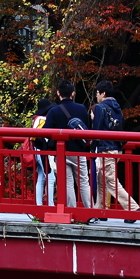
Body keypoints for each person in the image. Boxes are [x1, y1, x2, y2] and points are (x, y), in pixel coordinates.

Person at [92, 81, 139, 219]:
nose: (96, 96)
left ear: (103, 93)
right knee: (102, 179)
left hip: (105, 147)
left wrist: (92, 147)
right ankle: (99, 209)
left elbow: (96, 130)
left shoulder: (101, 108)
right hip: (116, 148)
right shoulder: (117, 108)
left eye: (97, 93)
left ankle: (132, 208)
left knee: (111, 181)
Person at [43, 80, 92, 208]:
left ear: (58, 93)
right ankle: (90, 212)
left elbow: (46, 132)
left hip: (61, 152)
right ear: (73, 94)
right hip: (78, 151)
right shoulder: (81, 109)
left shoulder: (54, 111)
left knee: (68, 183)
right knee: (83, 182)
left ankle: (72, 210)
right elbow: (87, 129)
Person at [31, 98, 56, 206]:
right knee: (51, 177)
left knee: (41, 176)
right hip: (42, 151)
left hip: (38, 150)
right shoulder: (42, 120)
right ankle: (50, 205)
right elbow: (40, 136)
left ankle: (39, 204)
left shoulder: (37, 119)